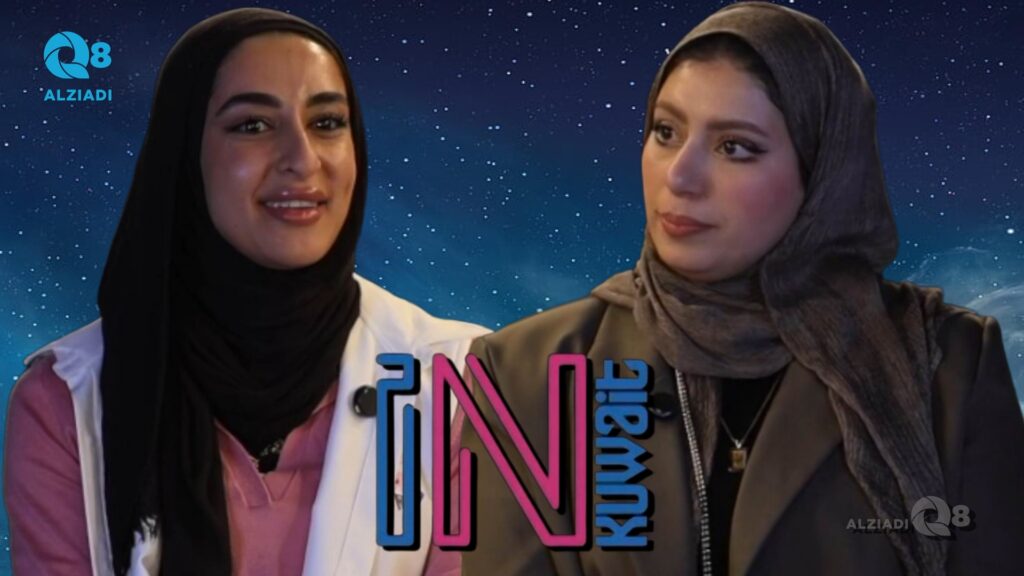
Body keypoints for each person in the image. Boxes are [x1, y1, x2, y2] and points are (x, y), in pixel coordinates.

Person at [459, 3, 1024, 575]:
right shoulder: (522, 371)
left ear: (823, 170)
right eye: (666, 132)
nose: (680, 176)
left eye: (734, 147)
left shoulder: (949, 364)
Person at [4, 8, 487, 576]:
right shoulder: (65, 403)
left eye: (328, 122)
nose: (303, 160)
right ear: (186, 154)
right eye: (253, 125)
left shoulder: (461, 385)